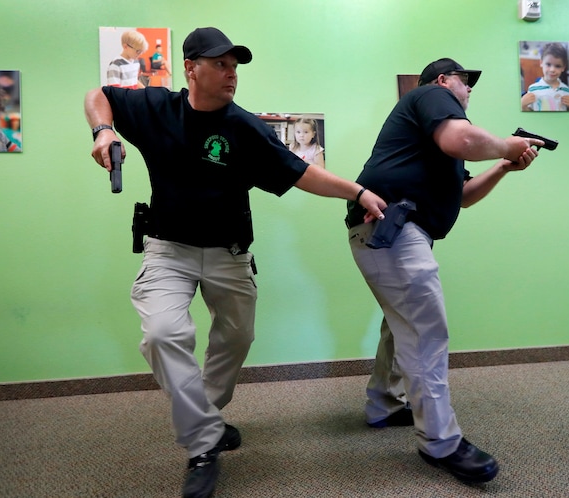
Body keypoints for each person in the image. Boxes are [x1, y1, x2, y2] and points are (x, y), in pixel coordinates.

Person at [84, 27, 386, 498]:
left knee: (237, 337)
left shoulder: (245, 127)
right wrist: (103, 131)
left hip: (229, 253)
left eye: (234, 66)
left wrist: (359, 191)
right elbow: (97, 94)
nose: (231, 74)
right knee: (164, 334)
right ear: (191, 69)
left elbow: (303, 174)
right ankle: (203, 443)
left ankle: (204, 415)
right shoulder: (156, 108)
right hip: (169, 249)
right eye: (220, 64)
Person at [345, 58, 543, 483]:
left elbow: (464, 197)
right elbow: (461, 139)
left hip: (391, 232)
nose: (469, 90)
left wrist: (504, 165)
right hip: (394, 228)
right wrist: (508, 144)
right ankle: (442, 442)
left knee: (400, 327)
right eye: (464, 82)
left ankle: (384, 404)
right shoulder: (430, 97)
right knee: (426, 333)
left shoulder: (431, 139)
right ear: (442, 81)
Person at [521, 42, 569, 111]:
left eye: (558, 66)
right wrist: (523, 105)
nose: (552, 70)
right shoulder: (533, 89)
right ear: (541, 63)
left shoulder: (566, 90)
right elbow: (530, 113)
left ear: (563, 68)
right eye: (548, 64)